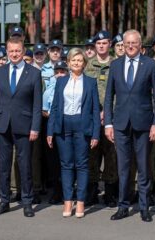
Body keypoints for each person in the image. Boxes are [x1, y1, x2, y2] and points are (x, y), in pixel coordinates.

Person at [104, 29, 155, 222]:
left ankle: (144, 207)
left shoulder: (150, 65)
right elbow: (108, 97)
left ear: (140, 45)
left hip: (144, 124)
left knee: (144, 167)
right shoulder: (115, 65)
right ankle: (123, 206)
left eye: (134, 43)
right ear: (123, 44)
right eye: (127, 43)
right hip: (121, 124)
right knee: (123, 167)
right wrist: (108, 124)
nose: (130, 46)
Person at [0, 36, 42, 217]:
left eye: (17, 51)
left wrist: (35, 127)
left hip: (24, 126)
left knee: (24, 165)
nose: (14, 54)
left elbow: (36, 104)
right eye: (11, 51)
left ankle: (27, 202)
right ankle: (4, 201)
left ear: (23, 51)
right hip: (2, 125)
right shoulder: (0, 71)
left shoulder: (33, 73)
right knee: (3, 166)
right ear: (7, 51)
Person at [47, 48, 100, 218]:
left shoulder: (91, 82)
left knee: (82, 165)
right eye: (73, 60)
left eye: (80, 60)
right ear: (68, 63)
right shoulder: (61, 82)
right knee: (66, 165)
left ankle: (81, 201)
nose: (76, 63)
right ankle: (68, 200)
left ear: (84, 63)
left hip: (82, 126)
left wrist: (95, 134)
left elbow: (94, 109)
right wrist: (50, 131)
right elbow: (54, 107)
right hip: (63, 126)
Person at [85, 30, 118, 207]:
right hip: (92, 118)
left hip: (112, 119)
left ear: (110, 44)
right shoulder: (87, 65)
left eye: (104, 43)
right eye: (98, 43)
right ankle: (91, 192)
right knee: (92, 155)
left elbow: (120, 92)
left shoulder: (117, 64)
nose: (101, 46)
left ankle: (110, 194)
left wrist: (109, 111)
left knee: (111, 156)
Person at [43, 61, 69, 204]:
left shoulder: (72, 87)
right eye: (57, 72)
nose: (59, 74)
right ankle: (56, 191)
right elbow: (44, 110)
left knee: (68, 162)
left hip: (69, 126)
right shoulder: (49, 89)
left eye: (62, 71)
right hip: (53, 127)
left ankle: (68, 192)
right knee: (54, 163)